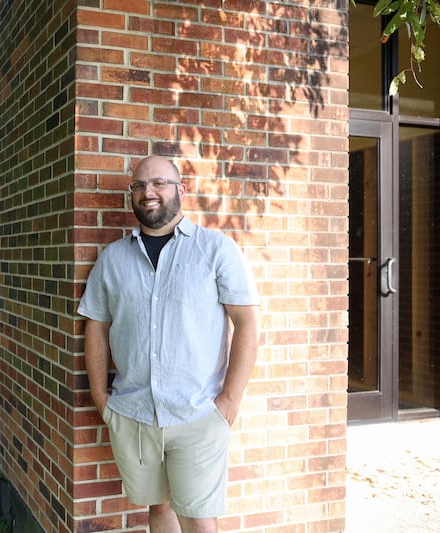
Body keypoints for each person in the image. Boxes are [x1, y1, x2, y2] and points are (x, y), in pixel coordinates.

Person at [78, 155, 260, 533]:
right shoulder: (113, 259)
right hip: (135, 413)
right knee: (159, 510)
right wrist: (100, 395)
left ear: (180, 190)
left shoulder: (215, 249)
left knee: (198, 519)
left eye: (159, 183)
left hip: (197, 414)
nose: (149, 193)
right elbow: (96, 326)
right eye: (140, 186)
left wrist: (229, 401)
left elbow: (247, 324)